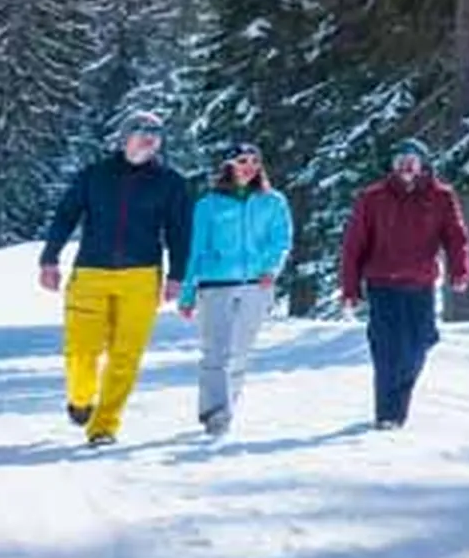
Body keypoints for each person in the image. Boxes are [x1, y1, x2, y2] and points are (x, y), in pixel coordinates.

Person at [38, 106, 193, 449]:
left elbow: (180, 232)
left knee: (126, 357)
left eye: (155, 136)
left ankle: (104, 426)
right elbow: (65, 216)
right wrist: (49, 258)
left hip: (141, 276)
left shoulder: (171, 183)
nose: (149, 141)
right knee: (81, 351)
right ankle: (80, 398)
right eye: (141, 133)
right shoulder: (95, 175)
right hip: (91, 273)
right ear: (124, 137)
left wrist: (177, 276)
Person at [337, 137, 469, 430]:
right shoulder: (372, 197)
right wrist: (350, 289)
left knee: (420, 343)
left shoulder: (441, 196)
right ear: (392, 165)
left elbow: (456, 237)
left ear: (423, 164)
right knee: (387, 349)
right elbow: (353, 245)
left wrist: (459, 270)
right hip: (382, 284)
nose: (406, 165)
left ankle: (396, 401)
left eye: (412, 160)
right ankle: (389, 414)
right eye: (400, 160)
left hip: (420, 284)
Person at [180, 138, 294, 440]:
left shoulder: (274, 202)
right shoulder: (208, 205)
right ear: (228, 165)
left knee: (240, 352)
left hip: (257, 286)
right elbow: (196, 250)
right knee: (215, 352)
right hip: (215, 285)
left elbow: (281, 241)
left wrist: (271, 268)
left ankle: (226, 406)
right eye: (242, 162)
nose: (249, 168)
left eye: (255, 162)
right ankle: (215, 413)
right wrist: (188, 293)